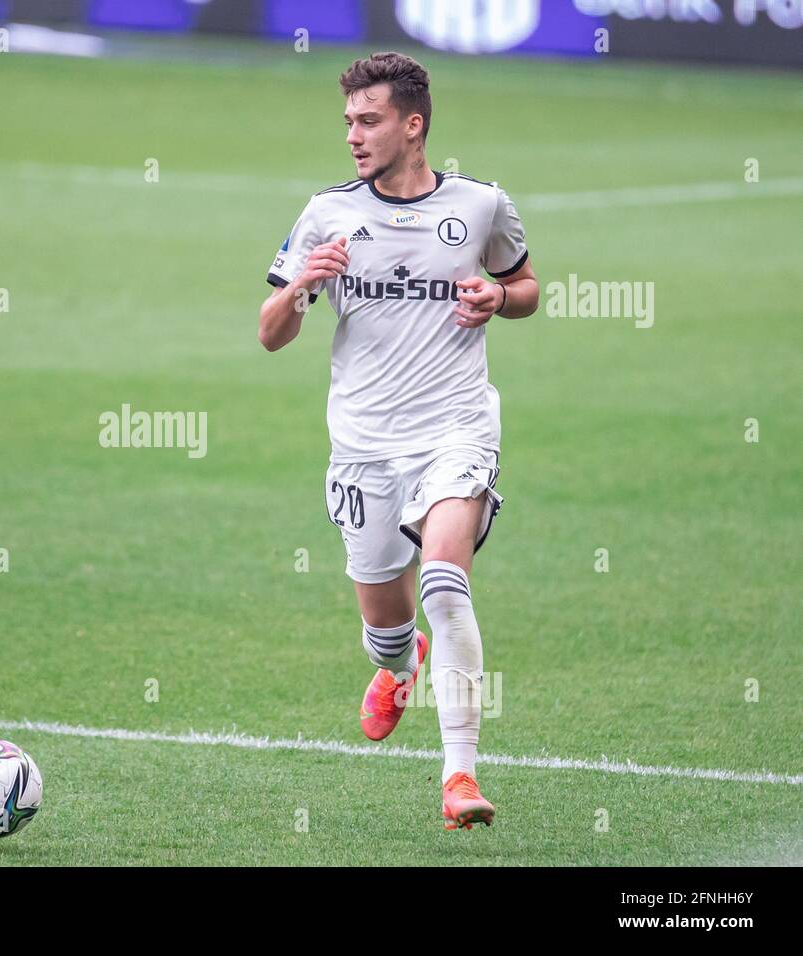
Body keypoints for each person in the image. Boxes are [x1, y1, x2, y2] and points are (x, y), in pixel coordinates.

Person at [257, 52, 539, 830]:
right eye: (349, 120)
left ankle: (459, 778)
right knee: (386, 629)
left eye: (369, 119)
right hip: (363, 448)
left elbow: (527, 288)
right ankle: (399, 662)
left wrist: (497, 295)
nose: (353, 134)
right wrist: (306, 285)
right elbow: (269, 332)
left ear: (413, 126)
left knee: (446, 580)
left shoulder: (481, 206)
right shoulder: (327, 213)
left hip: (455, 429)